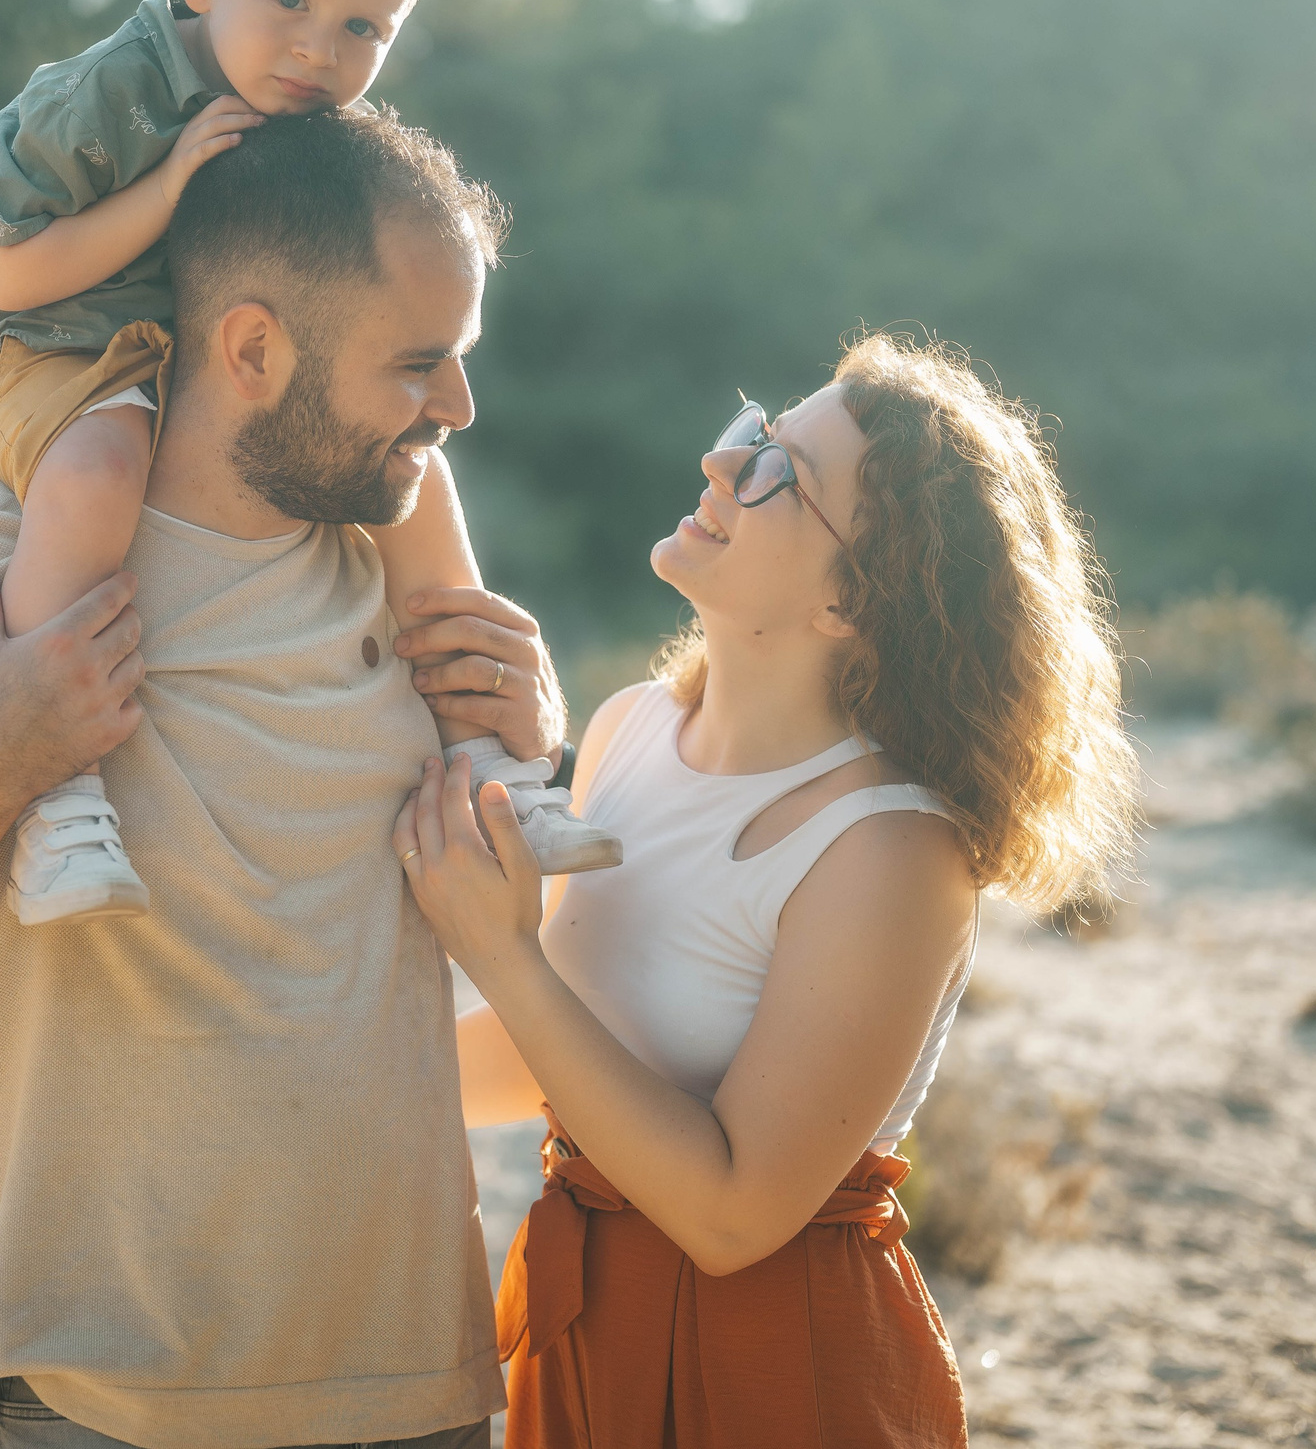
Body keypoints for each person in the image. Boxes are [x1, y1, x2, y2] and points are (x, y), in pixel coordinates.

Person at [0, 108, 552, 1445]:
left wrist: (525, 757)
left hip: (418, 1395)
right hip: (92, 1406)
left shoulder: (422, 594)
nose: (457, 405)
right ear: (255, 347)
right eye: (421, 362)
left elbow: (535, 952)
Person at [396, 335, 1142, 1446]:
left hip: (776, 1365)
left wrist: (502, 953)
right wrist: (305, 1071)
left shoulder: (887, 847)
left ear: (848, 601)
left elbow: (733, 1212)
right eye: (754, 429)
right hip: (582, 1321)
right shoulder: (626, 729)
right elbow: (558, 1055)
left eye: (776, 470)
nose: (717, 462)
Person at [0, 0, 618, 925]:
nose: (319, 50)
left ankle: (490, 757)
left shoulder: (307, 109)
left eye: (363, 26)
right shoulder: (96, 100)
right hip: (53, 344)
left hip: (198, 365)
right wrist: (165, 190)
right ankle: (51, 791)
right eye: (292, 2)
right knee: (101, 469)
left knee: (412, 465)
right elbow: (8, 272)